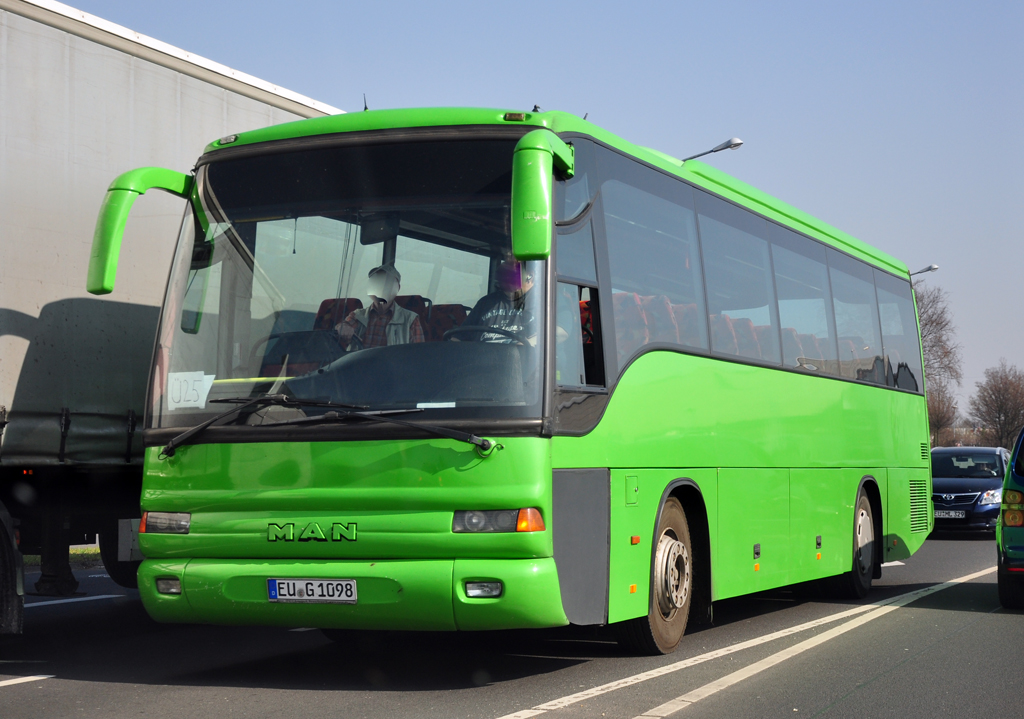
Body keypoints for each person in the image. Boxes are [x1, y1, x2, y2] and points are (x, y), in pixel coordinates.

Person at [335, 264, 424, 350]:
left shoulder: (411, 320)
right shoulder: (357, 315)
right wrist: (342, 327)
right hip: (360, 365)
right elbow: (343, 326)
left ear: (398, 288)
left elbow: (417, 356)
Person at [464, 259, 539, 344]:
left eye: (513, 281)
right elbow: (459, 337)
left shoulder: (543, 303)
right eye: (503, 283)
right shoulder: (485, 303)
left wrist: (527, 344)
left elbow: (555, 334)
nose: (508, 286)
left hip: (521, 356)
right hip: (482, 355)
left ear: (530, 276)